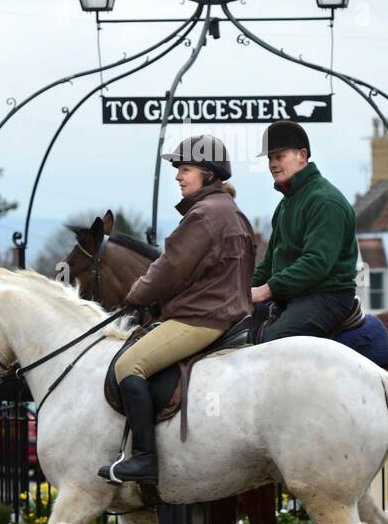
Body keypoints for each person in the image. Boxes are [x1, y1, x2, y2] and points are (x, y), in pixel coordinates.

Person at [98, 134, 256, 486]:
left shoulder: (203, 215)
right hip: (228, 313)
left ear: (210, 175)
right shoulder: (232, 212)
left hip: (202, 318)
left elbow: (169, 268)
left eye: (185, 169)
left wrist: (136, 294)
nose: (178, 176)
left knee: (128, 365)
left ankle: (144, 459)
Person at [251, 120, 359, 341]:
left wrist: (266, 290)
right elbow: (271, 261)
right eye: (270, 158)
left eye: (279, 156)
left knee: (270, 345)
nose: (272, 164)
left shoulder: (325, 201)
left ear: (302, 155)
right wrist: (242, 291)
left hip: (327, 296)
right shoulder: (286, 204)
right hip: (295, 295)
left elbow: (316, 263)